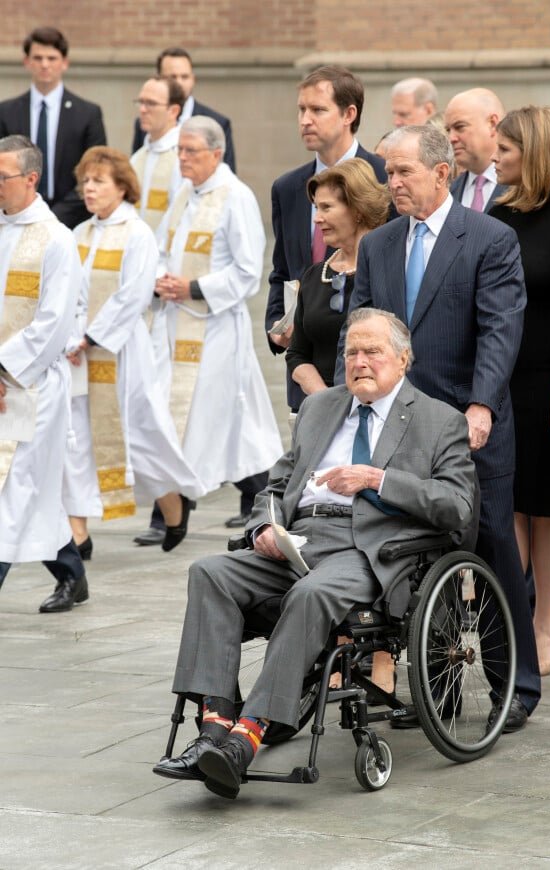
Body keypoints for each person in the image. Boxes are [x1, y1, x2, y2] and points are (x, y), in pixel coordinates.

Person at [153, 308, 476, 799]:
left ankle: (249, 735)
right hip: (297, 540)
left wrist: (377, 479)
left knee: (312, 594)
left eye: (373, 351)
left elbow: (458, 505)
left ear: (404, 359)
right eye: (351, 352)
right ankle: (214, 729)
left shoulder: (439, 420)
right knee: (210, 572)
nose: (360, 362)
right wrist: (264, 525)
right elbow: (278, 484)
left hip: (367, 548)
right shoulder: (321, 407)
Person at [338, 125, 541, 732]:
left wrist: (481, 405)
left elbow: (500, 330)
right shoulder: (378, 247)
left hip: (469, 427)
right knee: (421, 558)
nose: (392, 183)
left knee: (494, 549)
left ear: (441, 173)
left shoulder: (489, 239)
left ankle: (516, 688)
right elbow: (362, 330)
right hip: (400, 434)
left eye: (403, 173)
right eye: (388, 173)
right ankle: (437, 694)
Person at [142, 115, 282, 535]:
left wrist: (193, 287)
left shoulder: (235, 196)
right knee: (185, 418)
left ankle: (180, 508)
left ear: (216, 153)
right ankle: (172, 510)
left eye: (190, 152)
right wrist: (162, 279)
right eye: (179, 151)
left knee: (215, 420)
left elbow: (246, 270)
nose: (181, 159)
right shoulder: (186, 193)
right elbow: (164, 246)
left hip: (216, 327)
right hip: (177, 322)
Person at [63, 147, 205, 557]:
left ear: (122, 188)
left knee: (141, 438)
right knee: (77, 439)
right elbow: (69, 293)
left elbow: (133, 295)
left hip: (123, 353)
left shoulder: (138, 233)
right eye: (86, 181)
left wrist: (93, 337)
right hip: (80, 355)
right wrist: (74, 339)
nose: (89, 189)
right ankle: (78, 538)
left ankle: (174, 510)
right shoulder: (79, 234)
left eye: (99, 181)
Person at [286, 157, 392, 694]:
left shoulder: (385, 263)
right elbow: (298, 351)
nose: (319, 220)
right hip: (325, 413)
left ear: (356, 206)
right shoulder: (315, 273)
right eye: (315, 210)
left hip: (379, 411)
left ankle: (379, 659)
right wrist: (324, 398)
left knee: (370, 523)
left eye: (327, 208)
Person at [489, 106, 550, 675]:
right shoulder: (499, 212)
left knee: (547, 505)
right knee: (510, 503)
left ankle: (545, 622)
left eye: (504, 150)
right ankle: (513, 619)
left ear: (535, 153)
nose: (493, 159)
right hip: (504, 374)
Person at [265, 64, 387, 415]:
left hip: (370, 379)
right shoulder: (288, 188)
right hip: (306, 372)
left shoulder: (384, 179)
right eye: (301, 110)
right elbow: (281, 270)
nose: (305, 119)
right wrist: (276, 325)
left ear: (350, 114)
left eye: (317, 110)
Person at [0, 134, 88, 613]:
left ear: (31, 179)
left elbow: (54, 322)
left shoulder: (56, 239)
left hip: (29, 384)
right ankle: (71, 572)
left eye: (2, 177)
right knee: (21, 492)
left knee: (14, 487)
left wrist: (4, 369)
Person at [0, 27, 106, 228]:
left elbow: (94, 170)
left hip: (72, 221)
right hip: (16, 219)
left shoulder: (88, 114)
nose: (45, 65)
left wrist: (54, 216)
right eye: (38, 58)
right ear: (26, 62)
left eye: (52, 58)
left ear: (65, 62)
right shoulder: (6, 112)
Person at [131, 47, 235, 172]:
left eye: (184, 77)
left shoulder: (215, 124)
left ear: (193, 79)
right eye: (172, 77)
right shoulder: (147, 123)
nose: (179, 83)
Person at [130, 76, 185, 236]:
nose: (142, 109)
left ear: (173, 111)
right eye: (141, 102)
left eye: (151, 103)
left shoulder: (182, 157)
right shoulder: (137, 158)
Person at [444, 88, 507, 214]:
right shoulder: (448, 195)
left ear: (492, 124)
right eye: (448, 130)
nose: (451, 138)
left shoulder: (523, 186)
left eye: (460, 127)